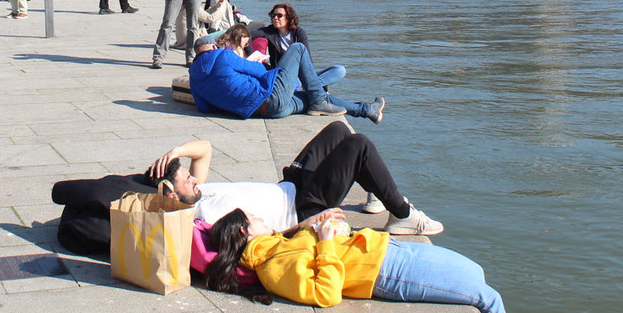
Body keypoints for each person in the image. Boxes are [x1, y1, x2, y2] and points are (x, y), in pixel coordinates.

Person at [205, 209, 510, 313]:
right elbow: (325, 294)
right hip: (385, 271)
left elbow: (316, 247)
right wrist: (325, 242)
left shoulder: (276, 245)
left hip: (387, 248)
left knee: (476, 271)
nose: (261, 218)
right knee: (488, 299)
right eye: (254, 218)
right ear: (244, 231)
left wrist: (323, 226)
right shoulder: (271, 266)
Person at [147, 123, 442, 236]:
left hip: (289, 185)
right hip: (302, 207)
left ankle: (374, 186)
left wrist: (176, 152)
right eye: (188, 180)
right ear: (173, 197)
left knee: (338, 129)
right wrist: (305, 225)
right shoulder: (206, 216)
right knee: (359, 145)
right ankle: (403, 214)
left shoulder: (197, 193)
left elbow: (205, 149)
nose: (195, 180)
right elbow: (262, 238)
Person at [189, 35, 384, 122]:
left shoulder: (194, 78)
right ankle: (319, 100)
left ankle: (367, 110)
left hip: (266, 112)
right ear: (213, 46)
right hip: (270, 97)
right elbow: (258, 70)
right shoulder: (223, 55)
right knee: (298, 48)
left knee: (310, 97)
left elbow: (204, 108)